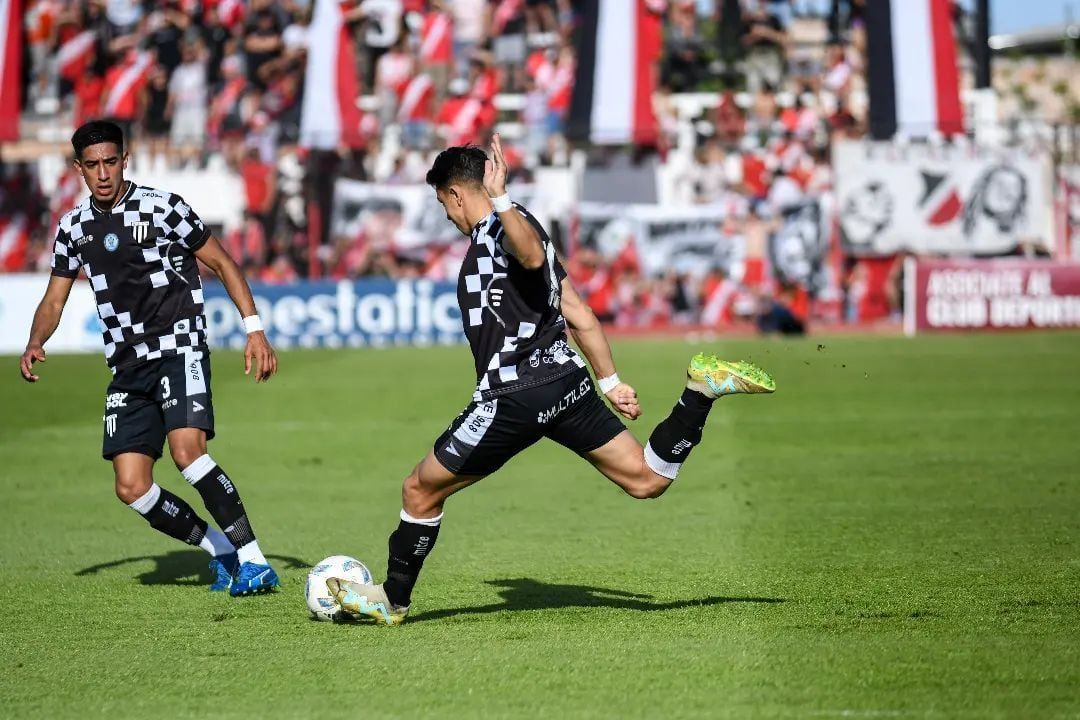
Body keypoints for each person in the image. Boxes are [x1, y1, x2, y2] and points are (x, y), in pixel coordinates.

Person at [326, 137, 776, 625]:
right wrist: (610, 381)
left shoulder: (501, 227)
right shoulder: (523, 228)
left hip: (514, 393)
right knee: (647, 479)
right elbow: (577, 310)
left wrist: (500, 199)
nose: (448, 216)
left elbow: (530, 258)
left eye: (443, 204)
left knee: (419, 489)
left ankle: (391, 600)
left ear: (456, 194)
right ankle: (700, 392)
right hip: (565, 381)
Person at [19, 120, 281, 596]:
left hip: (179, 347)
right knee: (131, 487)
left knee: (188, 453)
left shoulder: (163, 208)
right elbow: (54, 299)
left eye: (111, 162)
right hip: (127, 366)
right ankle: (221, 549)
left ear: (125, 159)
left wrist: (254, 330)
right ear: (79, 168)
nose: (103, 173)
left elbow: (222, 262)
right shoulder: (73, 228)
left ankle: (255, 560)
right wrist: (37, 340)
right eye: (93, 165)